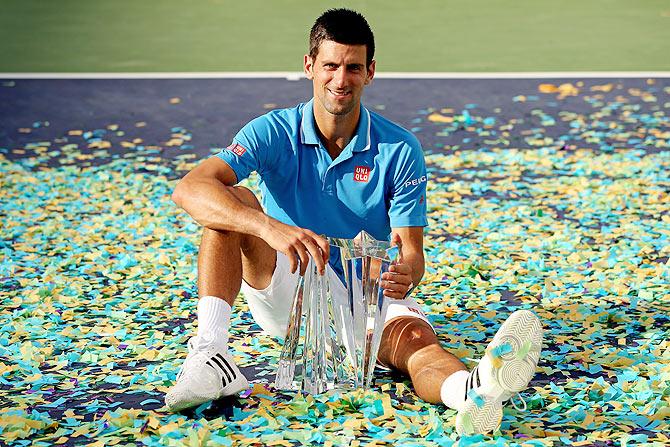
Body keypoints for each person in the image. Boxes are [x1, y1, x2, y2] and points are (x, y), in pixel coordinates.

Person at [165, 8, 543, 435]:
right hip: (288, 284)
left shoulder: (400, 148)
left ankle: (470, 391)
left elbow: (412, 253)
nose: (340, 80)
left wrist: (406, 273)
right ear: (309, 66)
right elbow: (189, 189)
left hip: (365, 292)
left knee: (417, 343)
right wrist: (267, 226)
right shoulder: (271, 131)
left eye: (352, 67)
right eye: (329, 65)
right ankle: (211, 353)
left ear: (370, 72)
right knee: (233, 201)